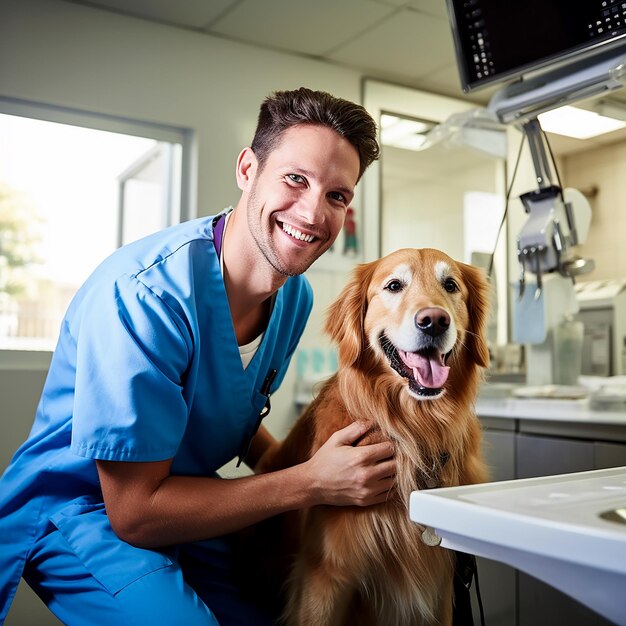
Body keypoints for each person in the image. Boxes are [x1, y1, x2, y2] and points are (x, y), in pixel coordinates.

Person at [0, 87, 394, 625]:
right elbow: (134, 514)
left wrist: (319, 473)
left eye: (337, 196)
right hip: (85, 510)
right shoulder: (145, 297)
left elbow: (225, 404)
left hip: (187, 500)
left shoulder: (294, 296)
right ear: (247, 169)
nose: (313, 211)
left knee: (280, 603)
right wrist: (310, 481)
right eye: (296, 179)